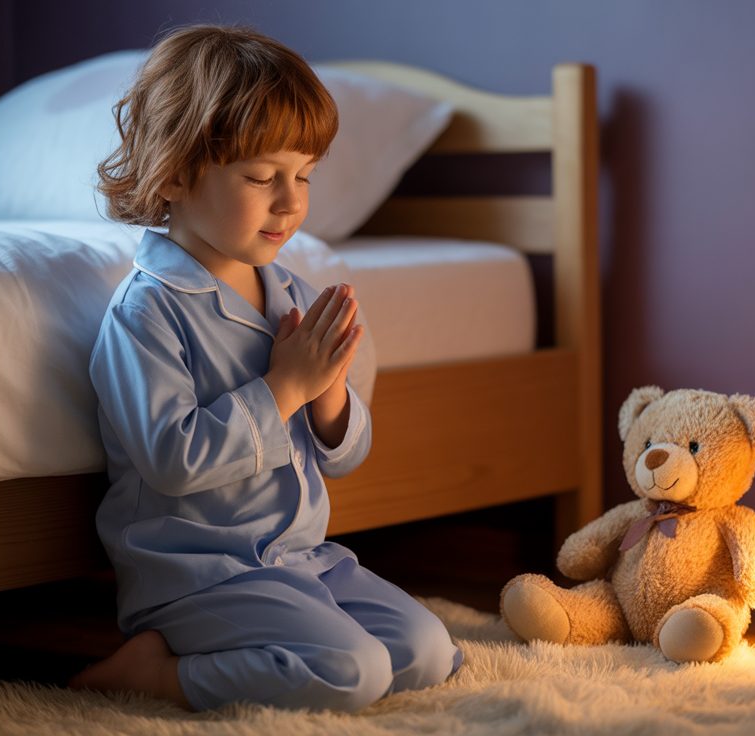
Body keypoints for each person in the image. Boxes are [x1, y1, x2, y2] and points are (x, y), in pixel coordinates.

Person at [69, 24, 462, 713]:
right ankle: (158, 673)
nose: (291, 202)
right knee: (352, 672)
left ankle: (277, 639)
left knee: (427, 652)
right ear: (179, 171)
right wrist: (284, 387)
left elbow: (343, 456)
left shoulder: (293, 295)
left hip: (302, 559)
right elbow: (172, 460)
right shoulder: (147, 313)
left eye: (304, 175)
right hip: (199, 576)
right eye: (262, 177)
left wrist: (328, 398)